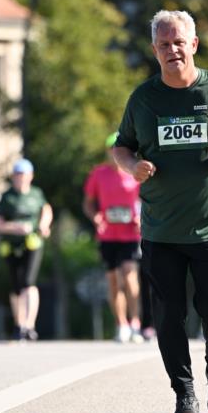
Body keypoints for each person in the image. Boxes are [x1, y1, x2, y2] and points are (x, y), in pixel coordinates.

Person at [113, 9, 208, 413]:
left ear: (193, 44)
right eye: (164, 44)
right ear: (154, 49)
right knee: (168, 316)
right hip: (161, 228)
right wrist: (131, 166)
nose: (172, 50)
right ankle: (184, 392)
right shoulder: (144, 98)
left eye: (179, 42)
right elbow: (121, 146)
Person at [83, 132, 143, 343]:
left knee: (129, 275)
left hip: (130, 234)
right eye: (112, 149)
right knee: (114, 280)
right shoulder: (99, 174)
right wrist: (95, 217)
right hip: (108, 234)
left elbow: (147, 200)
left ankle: (135, 323)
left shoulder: (136, 173)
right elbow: (88, 203)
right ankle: (121, 324)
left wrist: (141, 218)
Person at [0, 158, 53, 341]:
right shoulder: (7, 197)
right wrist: (14, 228)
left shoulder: (36, 194)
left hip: (32, 243)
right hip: (11, 245)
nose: (20, 178)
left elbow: (46, 210)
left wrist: (43, 225)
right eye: (18, 175)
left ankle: (29, 324)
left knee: (29, 282)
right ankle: (19, 324)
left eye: (24, 175)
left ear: (30, 176)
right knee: (16, 286)